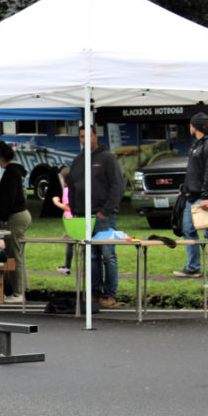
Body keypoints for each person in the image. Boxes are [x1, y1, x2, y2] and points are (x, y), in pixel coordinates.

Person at [67, 126, 125, 309]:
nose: (84, 140)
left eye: (87, 136)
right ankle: (94, 293)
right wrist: (76, 211)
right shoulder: (78, 161)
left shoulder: (108, 158)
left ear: (95, 136)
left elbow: (118, 186)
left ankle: (110, 294)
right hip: (83, 217)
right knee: (91, 257)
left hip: (103, 216)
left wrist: (105, 211)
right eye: (81, 137)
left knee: (108, 255)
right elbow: (72, 187)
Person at [173, 112, 208, 279]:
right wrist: (185, 187)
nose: (189, 128)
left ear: (195, 127)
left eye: (191, 125)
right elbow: (195, 171)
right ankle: (193, 267)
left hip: (205, 196)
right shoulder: (199, 144)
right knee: (188, 230)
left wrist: (206, 196)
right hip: (192, 195)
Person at [0, 141, 31, 304]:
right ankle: (22, 288)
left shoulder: (10, 173)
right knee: (17, 252)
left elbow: (8, 199)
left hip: (15, 217)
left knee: (14, 254)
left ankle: (19, 293)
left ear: (1, 158)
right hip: (21, 214)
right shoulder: (17, 171)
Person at [52, 166, 74, 275]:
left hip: (70, 220)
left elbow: (67, 207)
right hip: (75, 220)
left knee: (70, 243)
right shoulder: (76, 189)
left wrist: (56, 202)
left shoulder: (66, 190)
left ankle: (67, 267)